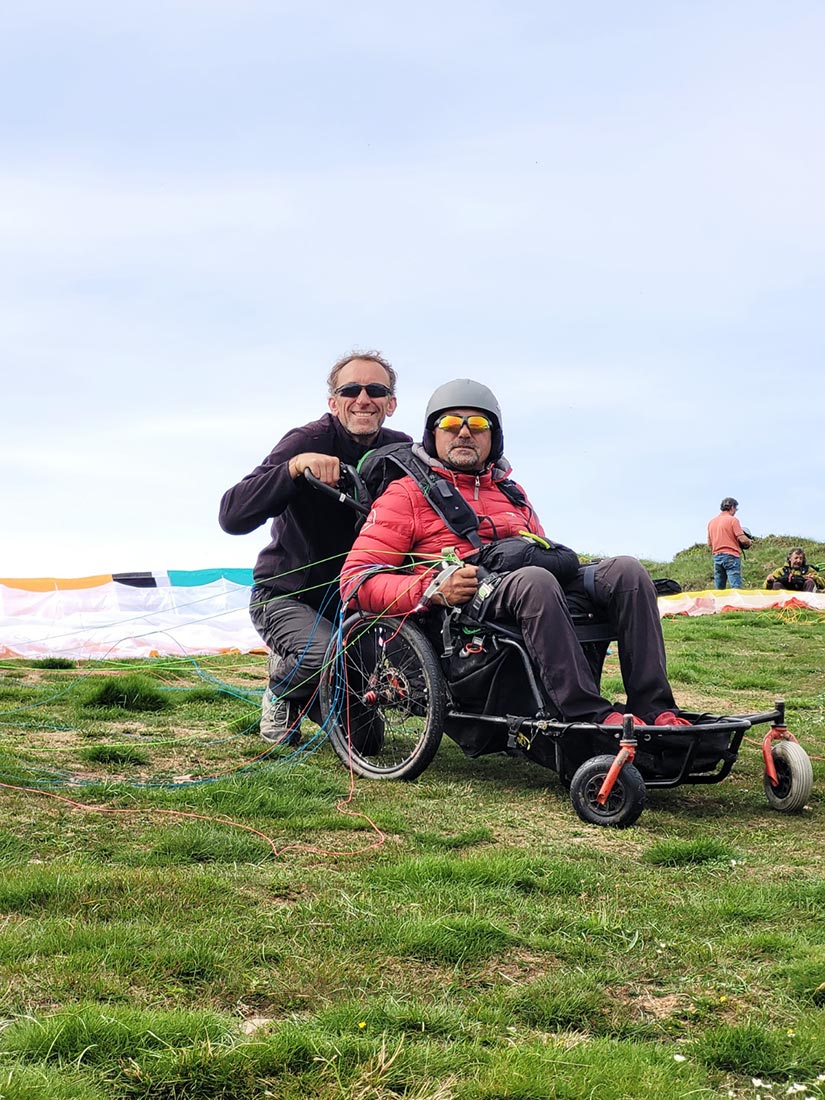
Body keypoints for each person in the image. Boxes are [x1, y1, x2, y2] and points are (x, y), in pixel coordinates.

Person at [340, 378, 689, 728]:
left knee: (626, 572)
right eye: (450, 424)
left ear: (494, 437)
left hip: (522, 587)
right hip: (465, 606)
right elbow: (355, 582)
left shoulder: (511, 492)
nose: (463, 432)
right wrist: (431, 589)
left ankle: (655, 709)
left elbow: (535, 550)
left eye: (477, 424)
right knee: (534, 581)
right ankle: (587, 716)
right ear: (434, 433)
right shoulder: (407, 495)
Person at [219, 350, 411, 744]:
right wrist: (292, 469)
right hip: (287, 597)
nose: (363, 399)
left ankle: (314, 684)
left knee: (368, 743)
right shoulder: (307, 440)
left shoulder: (403, 451)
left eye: (375, 390)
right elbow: (232, 514)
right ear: (333, 402)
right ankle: (281, 685)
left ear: (390, 404)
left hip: (354, 609)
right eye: (350, 389)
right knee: (323, 655)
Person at [707, 497, 752, 589]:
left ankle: (719, 603)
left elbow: (709, 544)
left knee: (719, 589)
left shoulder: (711, 522)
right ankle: (737, 603)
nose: (735, 511)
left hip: (717, 557)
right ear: (732, 507)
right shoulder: (733, 520)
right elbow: (742, 539)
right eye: (735, 509)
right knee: (736, 588)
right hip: (731, 556)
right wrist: (749, 542)